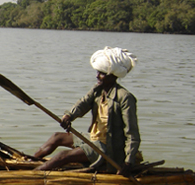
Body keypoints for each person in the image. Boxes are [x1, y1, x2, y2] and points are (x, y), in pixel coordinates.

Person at [33, 47, 140, 176]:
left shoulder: (125, 98)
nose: (97, 76)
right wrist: (69, 116)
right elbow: (82, 104)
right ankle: (28, 162)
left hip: (106, 148)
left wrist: (128, 162)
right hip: (92, 138)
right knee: (56, 137)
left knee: (62, 156)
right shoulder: (98, 90)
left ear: (113, 75)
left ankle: (31, 175)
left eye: (102, 73)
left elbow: (132, 135)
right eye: (97, 72)